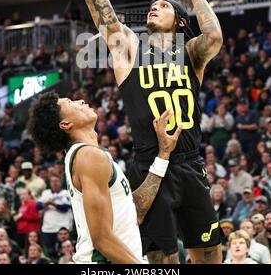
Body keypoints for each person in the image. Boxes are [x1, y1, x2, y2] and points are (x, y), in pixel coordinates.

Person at [79, 0, 224, 264]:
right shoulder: (128, 48)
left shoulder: (190, 52)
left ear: (178, 22)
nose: (153, 8)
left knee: (210, 256)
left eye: (163, 5)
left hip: (190, 162)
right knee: (160, 260)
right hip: (149, 164)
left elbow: (215, 36)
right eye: (152, 5)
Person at [27, 92, 181, 264]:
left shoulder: (89, 156)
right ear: (66, 124)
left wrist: (163, 155)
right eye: (70, 102)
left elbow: (133, 210)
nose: (81, 100)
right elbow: (102, 239)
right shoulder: (89, 156)